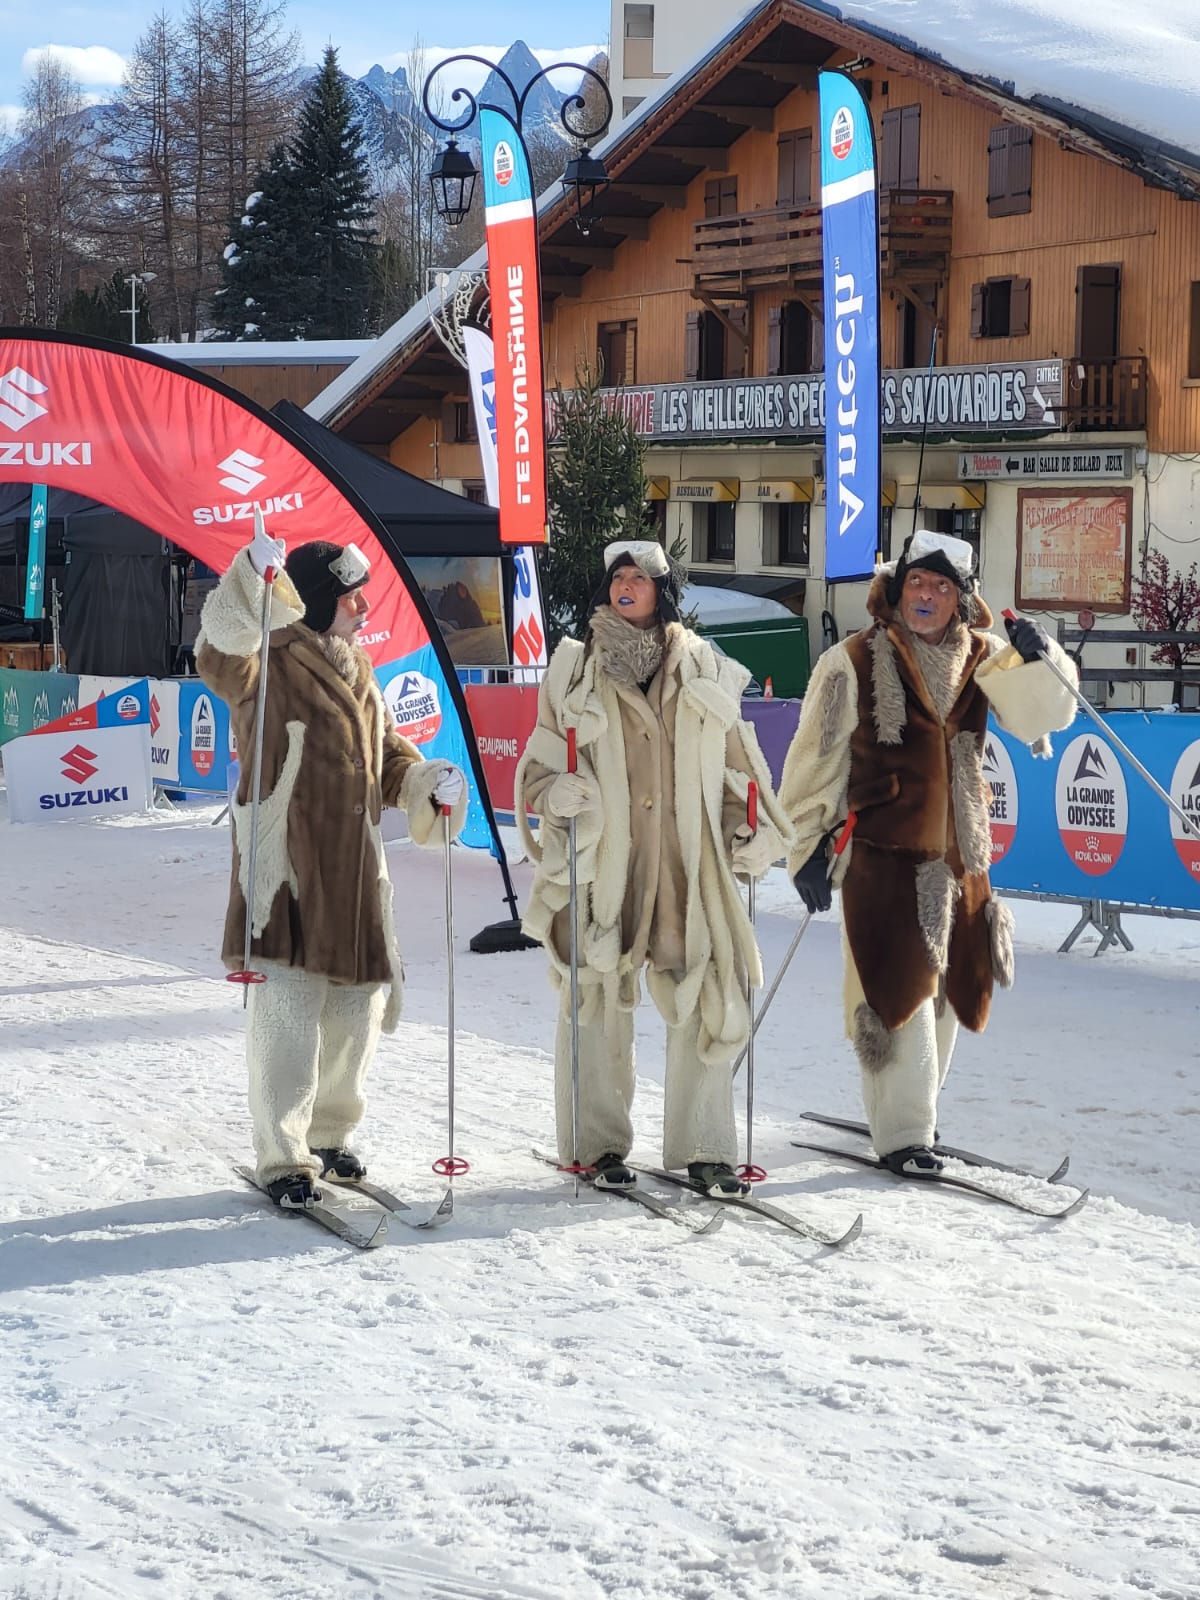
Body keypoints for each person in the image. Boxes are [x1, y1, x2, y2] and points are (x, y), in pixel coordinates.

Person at [777, 527, 1078, 1176]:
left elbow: (1043, 718)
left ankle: (914, 1116)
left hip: (961, 856)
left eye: (944, 586)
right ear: (897, 586)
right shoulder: (853, 659)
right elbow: (815, 757)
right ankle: (904, 1133)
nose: (928, 595)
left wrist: (1041, 657)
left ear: (962, 598)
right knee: (896, 995)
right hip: (883, 854)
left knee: (946, 999)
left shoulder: (985, 658)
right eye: (919, 581)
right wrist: (806, 848)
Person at [196, 524, 467, 1207]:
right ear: (316, 600)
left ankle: (328, 1135)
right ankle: (284, 1155)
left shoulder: (360, 672)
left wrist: (425, 779)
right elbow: (218, 651)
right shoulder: (266, 659)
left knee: (357, 1012)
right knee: (286, 1016)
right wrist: (244, 578)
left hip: (354, 876)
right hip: (288, 869)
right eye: (351, 599)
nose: (364, 610)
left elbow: (386, 756)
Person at [514, 540, 792, 1196]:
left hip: (684, 870)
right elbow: (538, 766)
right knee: (596, 1004)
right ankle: (595, 1144)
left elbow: (739, 771)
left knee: (706, 998)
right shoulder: (574, 670)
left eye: (640, 578)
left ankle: (707, 1147)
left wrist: (747, 830)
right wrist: (552, 792)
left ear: (662, 590)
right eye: (619, 577)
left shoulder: (703, 667)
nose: (627, 587)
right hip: (604, 865)